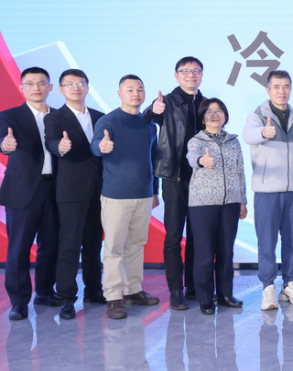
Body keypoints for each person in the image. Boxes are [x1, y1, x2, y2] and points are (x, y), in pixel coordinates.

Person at [92, 75, 161, 319]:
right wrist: (101, 147)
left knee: (136, 245)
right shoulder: (108, 120)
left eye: (140, 89)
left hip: (144, 194)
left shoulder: (150, 124)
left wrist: (155, 191)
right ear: (119, 93)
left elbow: (154, 159)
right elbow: (96, 145)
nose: (135, 93)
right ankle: (113, 297)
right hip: (116, 196)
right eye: (130, 89)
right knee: (114, 248)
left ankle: (133, 290)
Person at [0, 67, 60, 320]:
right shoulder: (9, 115)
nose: (36, 88)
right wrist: (4, 144)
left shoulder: (60, 116)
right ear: (22, 88)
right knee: (19, 248)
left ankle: (45, 292)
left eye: (41, 83)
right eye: (30, 83)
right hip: (22, 190)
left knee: (51, 245)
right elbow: (1, 138)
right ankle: (19, 302)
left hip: (56, 189)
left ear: (50, 87)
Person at [243, 69, 293, 309]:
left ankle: (289, 284)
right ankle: (268, 287)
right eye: (277, 87)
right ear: (268, 90)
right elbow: (248, 135)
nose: (282, 91)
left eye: (286, 86)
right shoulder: (258, 116)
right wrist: (263, 132)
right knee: (267, 243)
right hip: (267, 192)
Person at [144, 56, 206, 311]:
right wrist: (153, 110)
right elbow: (146, 118)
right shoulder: (167, 102)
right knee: (173, 236)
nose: (191, 74)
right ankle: (175, 291)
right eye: (185, 70)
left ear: (201, 74)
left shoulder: (206, 104)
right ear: (176, 75)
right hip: (175, 178)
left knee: (197, 236)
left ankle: (193, 286)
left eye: (196, 70)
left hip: (202, 179)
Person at [44, 68, 105, 319]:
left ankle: (94, 290)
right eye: (70, 84)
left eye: (80, 83)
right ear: (61, 90)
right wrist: (60, 147)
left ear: (87, 87)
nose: (76, 87)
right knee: (69, 245)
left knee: (93, 244)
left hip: (99, 190)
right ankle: (66, 298)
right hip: (70, 191)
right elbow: (50, 141)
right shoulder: (55, 118)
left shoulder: (101, 117)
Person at [186, 98, 248, 315]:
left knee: (226, 252)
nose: (214, 115)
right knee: (204, 253)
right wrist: (203, 161)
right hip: (203, 203)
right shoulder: (196, 141)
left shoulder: (233, 142)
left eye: (219, 111)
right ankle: (205, 298)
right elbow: (192, 158)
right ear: (203, 118)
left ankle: (225, 294)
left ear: (225, 116)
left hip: (230, 202)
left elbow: (240, 172)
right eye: (209, 111)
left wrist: (242, 200)